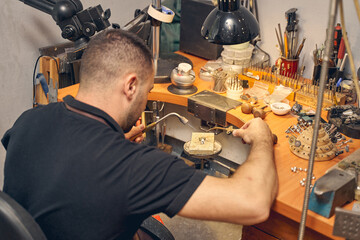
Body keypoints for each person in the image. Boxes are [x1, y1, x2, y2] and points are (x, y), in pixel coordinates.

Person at [2, 29, 278, 240]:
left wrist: (113, 144)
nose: (145, 102)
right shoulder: (134, 167)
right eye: (146, 93)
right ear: (131, 86)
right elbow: (253, 203)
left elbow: (67, 160)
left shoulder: (28, 120)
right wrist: (262, 138)